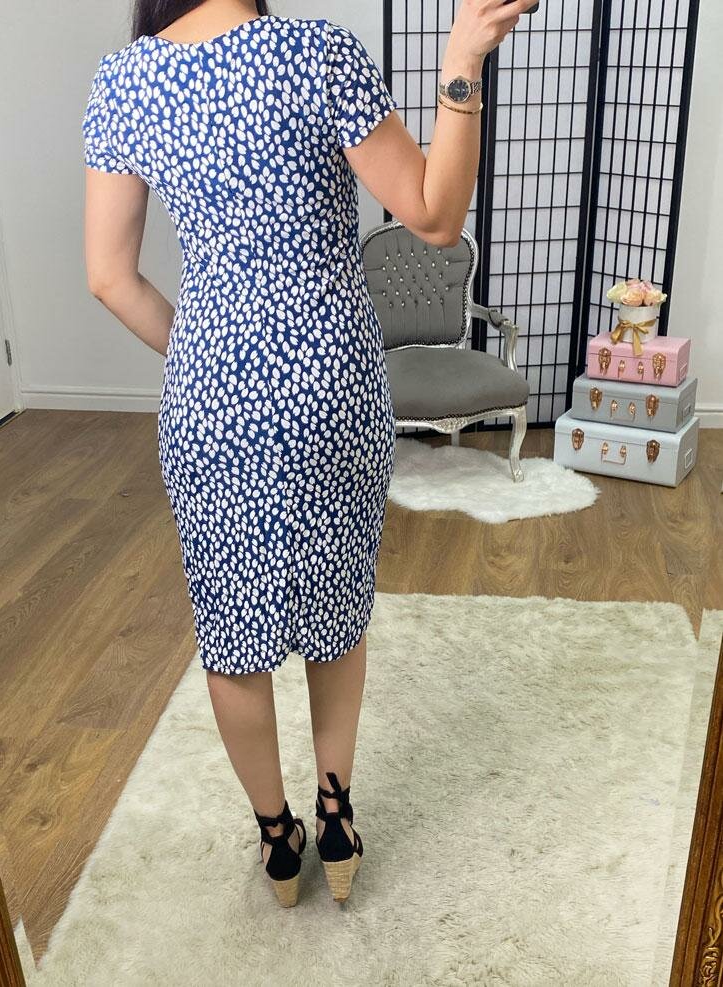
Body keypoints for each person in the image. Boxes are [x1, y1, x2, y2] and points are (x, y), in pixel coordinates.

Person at [82, 0, 529, 907]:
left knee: (232, 634)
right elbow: (435, 217)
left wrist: (206, 353)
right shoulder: (318, 53)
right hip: (332, 380)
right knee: (335, 611)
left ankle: (277, 842)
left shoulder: (123, 81)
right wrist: (462, 61)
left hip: (214, 397)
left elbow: (109, 278)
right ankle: (336, 817)